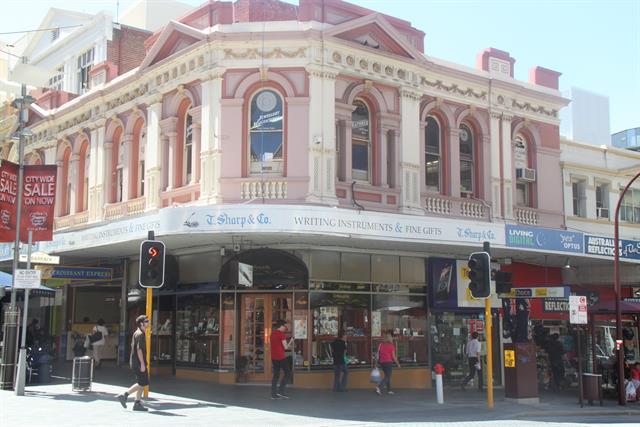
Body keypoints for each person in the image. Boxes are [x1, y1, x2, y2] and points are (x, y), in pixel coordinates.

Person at [116, 315, 150, 411]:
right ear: (141, 323)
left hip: (136, 362)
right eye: (146, 321)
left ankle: (137, 403)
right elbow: (139, 350)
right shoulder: (140, 334)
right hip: (138, 363)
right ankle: (124, 395)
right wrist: (142, 364)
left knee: (142, 382)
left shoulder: (138, 332)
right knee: (143, 382)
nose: (148, 323)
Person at [270, 319, 294, 400]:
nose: (285, 328)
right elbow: (286, 347)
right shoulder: (281, 334)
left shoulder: (272, 334)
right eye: (284, 326)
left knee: (276, 375)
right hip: (281, 357)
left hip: (274, 357)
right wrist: (291, 341)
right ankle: (281, 391)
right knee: (288, 373)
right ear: (281, 326)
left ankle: (273, 394)